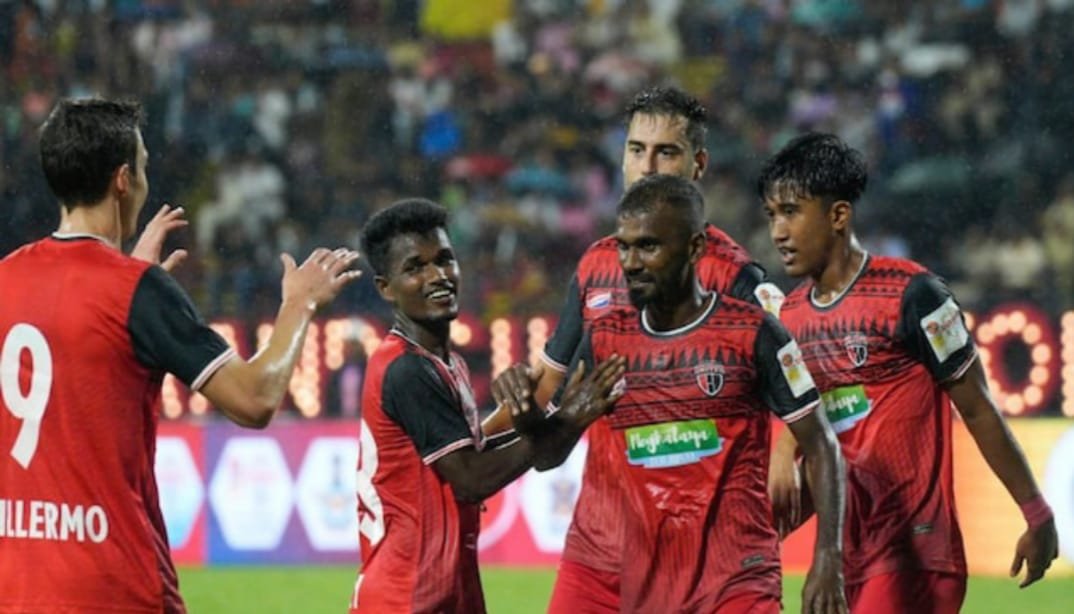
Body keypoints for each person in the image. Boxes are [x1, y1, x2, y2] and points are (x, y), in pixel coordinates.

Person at [0, 98, 361, 613]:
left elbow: (76, 338)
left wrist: (127, 288)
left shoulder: (7, 277)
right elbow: (255, 398)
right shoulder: (135, 290)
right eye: (143, 168)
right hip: (112, 588)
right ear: (123, 179)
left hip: (16, 588)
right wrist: (298, 304)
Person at [486, 85, 785, 612]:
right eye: (635, 149)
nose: (647, 166)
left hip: (702, 557)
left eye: (665, 152)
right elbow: (549, 383)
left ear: (698, 165)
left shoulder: (738, 280)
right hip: (601, 546)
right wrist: (469, 448)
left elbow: (794, 407)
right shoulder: (595, 266)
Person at [513, 174, 846, 612]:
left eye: (648, 246)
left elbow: (822, 446)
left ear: (693, 249)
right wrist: (529, 416)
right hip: (641, 572)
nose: (630, 262)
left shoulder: (755, 333)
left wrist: (828, 559)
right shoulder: (605, 339)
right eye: (624, 247)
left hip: (734, 578)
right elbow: (547, 455)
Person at [761, 133, 1060, 613]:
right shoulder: (789, 319)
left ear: (838, 215)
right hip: (847, 557)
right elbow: (818, 432)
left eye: (791, 212)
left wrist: (1036, 511)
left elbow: (979, 408)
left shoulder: (914, 295)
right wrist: (784, 449)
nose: (777, 231)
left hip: (915, 551)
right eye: (771, 215)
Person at [350, 198, 625, 613]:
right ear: (385, 288)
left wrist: (543, 417)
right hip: (409, 596)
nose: (437, 276)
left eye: (444, 260)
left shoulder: (444, 363)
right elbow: (471, 479)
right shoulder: (405, 371)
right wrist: (569, 417)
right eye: (415, 268)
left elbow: (495, 453)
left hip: (443, 589)